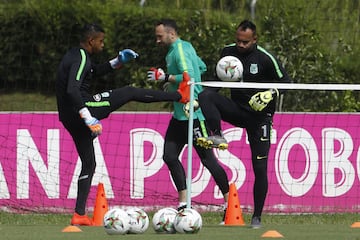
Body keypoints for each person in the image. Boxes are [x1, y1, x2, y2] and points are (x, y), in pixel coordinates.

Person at [56, 23, 190, 226]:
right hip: (81, 109)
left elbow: (94, 72)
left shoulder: (74, 55)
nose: (103, 44)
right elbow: (72, 90)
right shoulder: (81, 57)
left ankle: (79, 214)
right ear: (91, 41)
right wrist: (87, 116)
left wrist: (118, 61)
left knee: (89, 163)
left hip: (67, 116)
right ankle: (179, 95)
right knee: (129, 91)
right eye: (101, 41)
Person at [196, 20, 292, 228]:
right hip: (238, 110)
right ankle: (217, 134)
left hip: (260, 118)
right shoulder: (228, 52)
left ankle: (257, 216)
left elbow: (287, 83)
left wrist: (270, 93)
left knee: (260, 167)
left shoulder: (265, 58)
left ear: (254, 39)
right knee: (205, 95)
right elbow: (218, 82)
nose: (240, 45)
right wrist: (197, 102)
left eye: (245, 42)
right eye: (238, 40)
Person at [147, 19, 230, 221]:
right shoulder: (184, 48)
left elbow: (190, 76)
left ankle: (231, 203)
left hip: (194, 115)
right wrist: (173, 87)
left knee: (208, 160)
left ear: (171, 34)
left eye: (160, 36)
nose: (157, 41)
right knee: (169, 155)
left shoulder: (180, 50)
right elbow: (200, 67)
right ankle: (184, 203)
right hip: (179, 116)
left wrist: (165, 77)